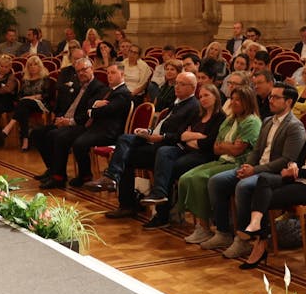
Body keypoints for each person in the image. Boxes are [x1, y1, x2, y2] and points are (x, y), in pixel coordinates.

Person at [232, 101, 306, 268]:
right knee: (263, 180)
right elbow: (298, 160)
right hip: (298, 180)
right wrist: (293, 166)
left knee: (265, 197)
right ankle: (257, 227)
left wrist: (297, 171)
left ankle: (260, 241)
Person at [203, 86, 306, 257]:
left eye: (276, 97)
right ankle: (222, 232)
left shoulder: (295, 127)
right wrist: (247, 166)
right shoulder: (268, 121)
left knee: (243, 186)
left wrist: (254, 170)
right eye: (271, 97)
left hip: (275, 175)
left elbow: (286, 160)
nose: (270, 100)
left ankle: (244, 240)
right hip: (257, 169)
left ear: (288, 102)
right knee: (217, 181)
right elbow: (256, 150)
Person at [105, 72, 202, 218]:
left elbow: (182, 135)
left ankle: (160, 215)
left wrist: (161, 137)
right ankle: (116, 185)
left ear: (193, 87)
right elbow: (163, 126)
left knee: (132, 156)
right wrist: (148, 131)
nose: (177, 87)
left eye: (182, 84)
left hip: (169, 147)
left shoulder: (194, 107)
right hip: (155, 141)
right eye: (176, 83)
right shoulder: (176, 102)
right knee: (125, 141)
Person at [179, 87, 262, 244]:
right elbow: (216, 147)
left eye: (238, 99)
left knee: (199, 179)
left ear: (248, 101)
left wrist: (226, 146)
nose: (234, 103)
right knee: (186, 177)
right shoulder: (230, 119)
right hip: (222, 160)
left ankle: (213, 229)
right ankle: (202, 227)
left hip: (239, 163)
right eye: (232, 99)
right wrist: (227, 146)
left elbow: (238, 150)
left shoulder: (252, 121)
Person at [143, 83, 227, 228]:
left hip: (204, 155)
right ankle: (160, 194)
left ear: (216, 97)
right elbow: (181, 134)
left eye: (207, 95)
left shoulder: (220, 117)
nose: (203, 99)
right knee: (163, 152)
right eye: (200, 96)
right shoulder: (197, 114)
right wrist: (197, 136)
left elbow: (208, 143)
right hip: (186, 149)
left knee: (169, 167)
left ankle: (163, 214)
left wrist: (191, 137)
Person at [31, 57, 108, 189]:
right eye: (78, 71)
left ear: (92, 69)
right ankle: (53, 169)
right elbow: (66, 105)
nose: (81, 73)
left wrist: (69, 121)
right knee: (37, 133)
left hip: (83, 125)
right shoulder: (77, 86)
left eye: (84, 69)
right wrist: (60, 117)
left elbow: (89, 112)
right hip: (67, 121)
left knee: (57, 136)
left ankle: (59, 177)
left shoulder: (99, 88)